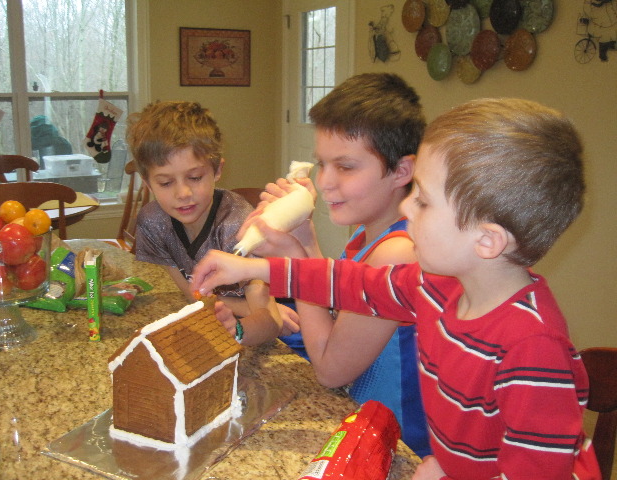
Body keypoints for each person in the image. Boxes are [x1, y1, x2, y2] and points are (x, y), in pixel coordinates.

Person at [191, 98, 601, 479]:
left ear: (487, 240)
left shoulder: (533, 349)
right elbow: (352, 284)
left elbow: (538, 471)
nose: (406, 206)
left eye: (424, 201)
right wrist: (252, 266)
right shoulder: (435, 287)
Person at [244, 72, 431, 457]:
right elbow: (335, 310)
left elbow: (331, 369)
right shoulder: (368, 235)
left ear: (401, 171)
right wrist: (304, 235)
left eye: (345, 167)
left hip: (398, 448)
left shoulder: (397, 254)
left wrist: (296, 266)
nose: (325, 182)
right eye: (322, 164)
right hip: (361, 422)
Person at [129, 100, 299, 346]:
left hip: (287, 319)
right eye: (166, 183)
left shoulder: (237, 225)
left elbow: (271, 320)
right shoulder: (152, 222)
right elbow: (192, 293)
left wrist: (241, 324)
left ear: (217, 170)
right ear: (147, 183)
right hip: (231, 313)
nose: (183, 193)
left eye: (195, 177)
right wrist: (244, 310)